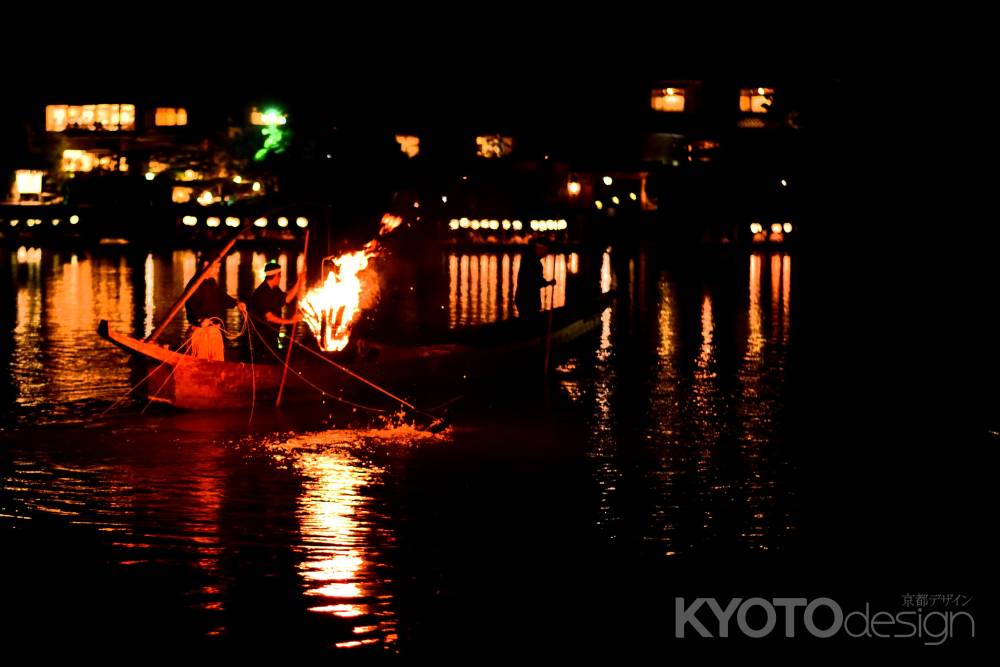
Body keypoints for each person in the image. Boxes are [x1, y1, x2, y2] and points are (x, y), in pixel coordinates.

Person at [184, 253, 246, 360]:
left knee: (217, 363)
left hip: (214, 331)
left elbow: (222, 297)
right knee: (200, 365)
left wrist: (236, 303)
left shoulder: (211, 282)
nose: (218, 270)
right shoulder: (194, 284)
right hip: (200, 332)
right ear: (206, 264)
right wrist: (199, 320)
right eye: (216, 267)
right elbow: (190, 305)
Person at [247, 260, 303, 355]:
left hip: (273, 335)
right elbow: (269, 317)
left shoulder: (274, 289)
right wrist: (290, 321)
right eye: (280, 275)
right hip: (263, 339)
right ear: (276, 276)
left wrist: (299, 282)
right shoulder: (261, 293)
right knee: (267, 361)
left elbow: (286, 299)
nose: (280, 278)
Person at [514, 238, 556, 318]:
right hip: (529, 300)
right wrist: (549, 283)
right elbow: (536, 281)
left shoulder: (527, 258)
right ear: (538, 249)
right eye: (545, 250)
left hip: (522, 298)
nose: (546, 254)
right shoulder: (535, 263)